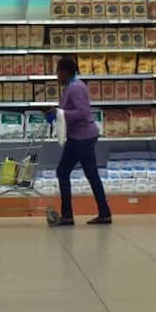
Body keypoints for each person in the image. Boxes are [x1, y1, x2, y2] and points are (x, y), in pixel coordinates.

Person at [47, 56, 112, 226]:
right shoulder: (73, 86)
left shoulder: (75, 88)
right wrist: (55, 113)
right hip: (79, 137)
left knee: (67, 172)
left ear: (65, 72)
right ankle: (103, 213)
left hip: (82, 138)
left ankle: (69, 215)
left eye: (58, 72)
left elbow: (82, 112)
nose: (56, 76)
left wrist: (60, 114)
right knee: (86, 174)